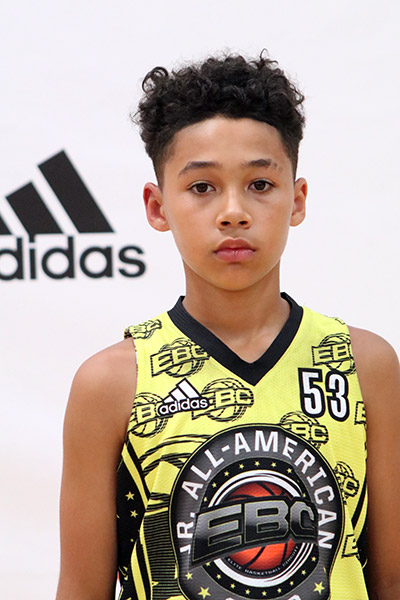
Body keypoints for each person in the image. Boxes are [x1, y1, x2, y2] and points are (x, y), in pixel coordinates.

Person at [56, 52, 400, 600]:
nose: (233, 212)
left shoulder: (366, 365)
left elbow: (390, 579)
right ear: (157, 206)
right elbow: (80, 588)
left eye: (260, 184)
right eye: (202, 187)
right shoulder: (110, 383)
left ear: (297, 200)